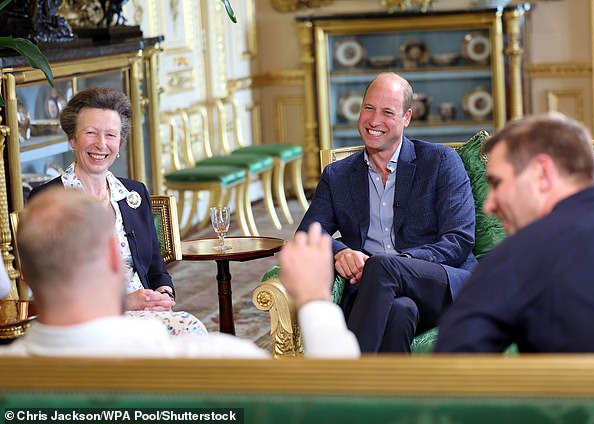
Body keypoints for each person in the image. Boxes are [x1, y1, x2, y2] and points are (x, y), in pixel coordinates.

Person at [1, 188, 360, 358]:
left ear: (26, 275)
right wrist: (314, 301)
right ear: (116, 256)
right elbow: (334, 405)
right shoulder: (208, 359)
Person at [297, 72, 478, 353]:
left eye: (387, 112)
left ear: (406, 117)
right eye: (368, 108)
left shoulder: (441, 162)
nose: (374, 120)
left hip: (441, 284)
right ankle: (389, 395)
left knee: (382, 266)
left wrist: (397, 265)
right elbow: (309, 234)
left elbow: (458, 239)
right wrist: (340, 251)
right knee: (400, 311)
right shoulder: (338, 175)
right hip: (374, 295)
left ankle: (344, 378)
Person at [434, 113, 594, 353]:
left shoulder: (520, 254)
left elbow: (452, 368)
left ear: (542, 173)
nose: (489, 205)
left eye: (497, 183)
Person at [28, 87, 207, 336]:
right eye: (90, 133)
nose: (101, 144)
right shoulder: (50, 199)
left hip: (147, 313)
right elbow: (49, 282)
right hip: (84, 320)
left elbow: (156, 266)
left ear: (120, 143)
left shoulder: (134, 193)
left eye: (111, 135)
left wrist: (163, 295)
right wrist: (126, 301)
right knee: (188, 332)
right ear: (73, 138)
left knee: (189, 330)